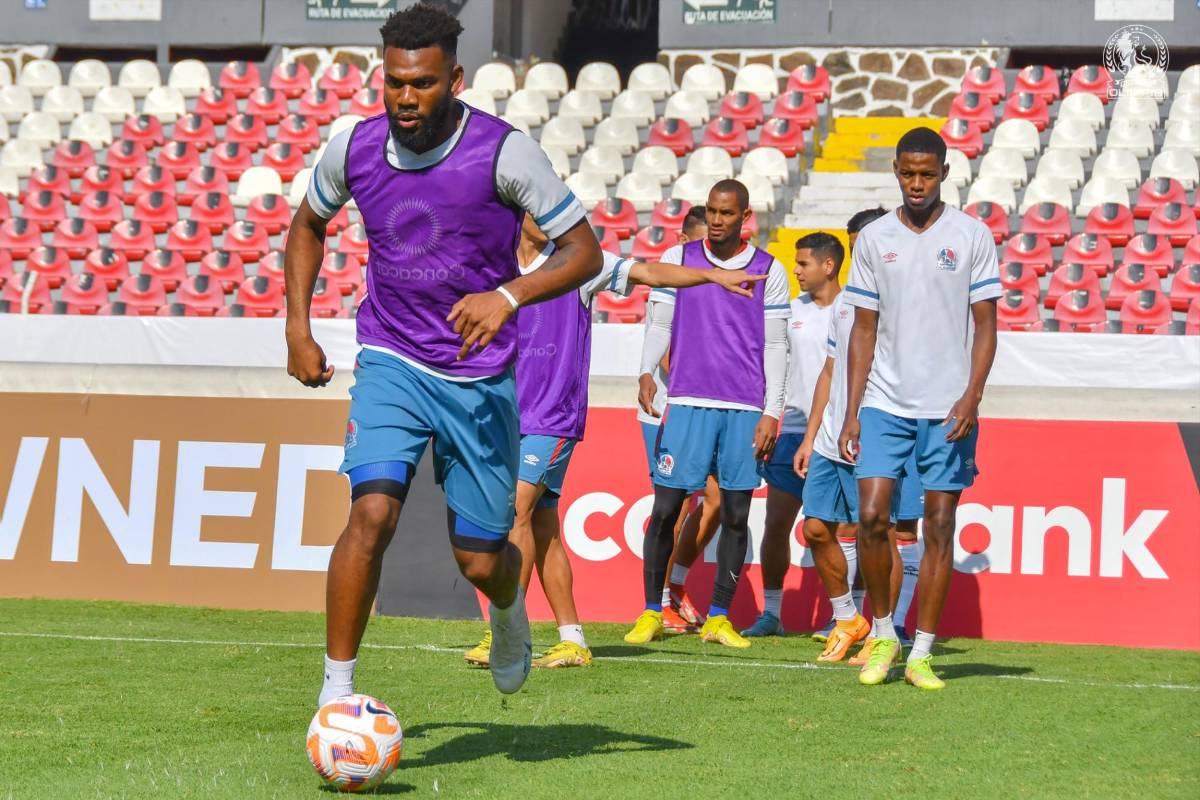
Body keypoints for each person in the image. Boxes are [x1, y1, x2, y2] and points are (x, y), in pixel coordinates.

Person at [285, 3, 603, 705]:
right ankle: (336, 696)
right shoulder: (353, 149)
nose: (406, 97)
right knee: (371, 515)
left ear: (454, 79)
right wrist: (297, 328)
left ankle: (510, 612)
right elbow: (307, 224)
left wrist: (509, 297)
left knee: (480, 560)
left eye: (423, 83)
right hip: (391, 357)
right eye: (395, 82)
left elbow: (585, 252)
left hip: (476, 375)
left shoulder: (505, 152)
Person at [463, 214, 764, 669]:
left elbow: (649, 272)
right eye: (536, 207)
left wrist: (711, 275)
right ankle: (573, 640)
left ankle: (504, 633)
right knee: (544, 529)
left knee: (516, 512)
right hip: (508, 415)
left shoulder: (579, 263)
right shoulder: (495, 263)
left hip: (552, 417)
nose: (547, 215)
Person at [838, 127, 1001, 689]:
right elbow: (863, 329)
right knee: (871, 516)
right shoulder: (873, 238)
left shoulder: (972, 235)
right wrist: (852, 410)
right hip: (884, 401)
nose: (916, 183)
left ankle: (922, 653)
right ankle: (884, 634)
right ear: (896, 172)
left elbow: (986, 326)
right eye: (907, 173)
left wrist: (972, 395)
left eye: (927, 174)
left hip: (948, 407)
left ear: (944, 174)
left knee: (938, 524)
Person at [626, 179, 791, 649]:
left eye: (727, 213)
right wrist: (646, 371)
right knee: (666, 509)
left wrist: (772, 411)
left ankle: (719, 617)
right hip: (685, 402)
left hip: (743, 407)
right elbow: (659, 323)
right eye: (712, 211)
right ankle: (651, 611)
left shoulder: (769, 270)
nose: (717, 220)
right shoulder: (678, 258)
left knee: (736, 513)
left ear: (745, 216)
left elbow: (777, 345)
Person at [741, 232, 841, 639]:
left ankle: (844, 616)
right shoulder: (790, 311)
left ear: (828, 266)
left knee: (837, 531)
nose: (796, 270)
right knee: (777, 524)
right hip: (792, 430)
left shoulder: (853, 311)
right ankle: (772, 613)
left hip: (837, 435)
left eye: (803, 263)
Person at [638, 206, 722, 634]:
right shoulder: (670, 274)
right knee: (675, 504)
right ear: (684, 240)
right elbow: (667, 349)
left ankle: (675, 584)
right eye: (703, 241)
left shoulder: (714, 277)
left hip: (709, 408)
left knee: (719, 499)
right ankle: (660, 602)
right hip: (669, 407)